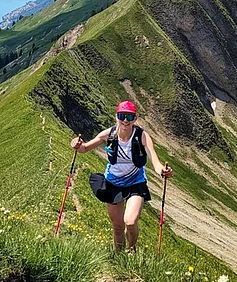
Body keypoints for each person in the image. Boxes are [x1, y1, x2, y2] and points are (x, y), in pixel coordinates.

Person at [70, 101, 172, 252]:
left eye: (129, 117)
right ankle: (119, 259)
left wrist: (163, 171)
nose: (125, 120)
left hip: (135, 183)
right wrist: (76, 144)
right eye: (122, 116)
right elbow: (85, 148)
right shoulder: (108, 134)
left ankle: (131, 250)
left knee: (130, 222)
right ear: (116, 116)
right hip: (113, 183)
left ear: (135, 118)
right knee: (118, 227)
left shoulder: (142, 136)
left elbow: (155, 161)